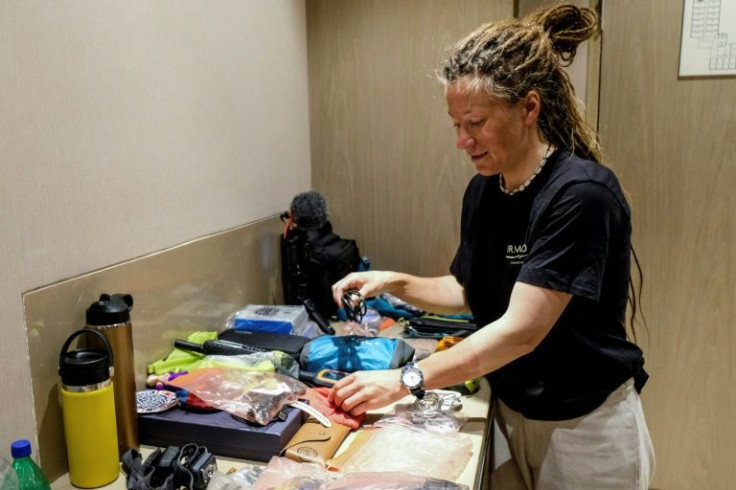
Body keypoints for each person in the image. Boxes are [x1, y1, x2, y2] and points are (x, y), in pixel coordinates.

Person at [328, 3, 654, 489]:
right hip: (510, 409)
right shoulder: (486, 189)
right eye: (455, 124)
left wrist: (405, 380)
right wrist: (393, 282)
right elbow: (469, 287)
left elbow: (521, 330)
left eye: (476, 123)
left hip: (584, 426)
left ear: (528, 107)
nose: (463, 141)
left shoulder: (581, 194)